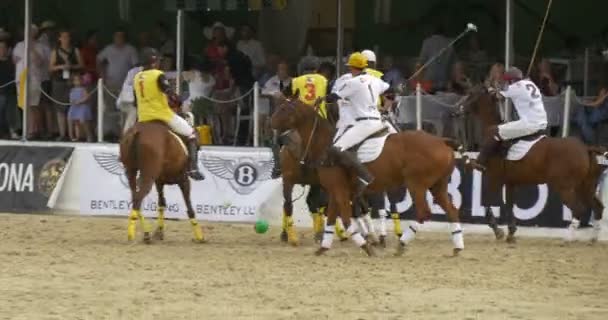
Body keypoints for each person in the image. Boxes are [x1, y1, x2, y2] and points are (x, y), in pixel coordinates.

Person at [133, 48, 204, 180]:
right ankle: (193, 168)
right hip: (162, 115)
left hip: (143, 118)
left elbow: (135, 102)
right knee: (192, 134)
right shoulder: (157, 74)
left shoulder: (136, 78)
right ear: (153, 62)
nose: (160, 63)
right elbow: (169, 92)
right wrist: (177, 98)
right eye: (159, 61)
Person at [325, 52, 390, 195]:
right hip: (379, 121)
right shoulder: (375, 79)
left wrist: (321, 99)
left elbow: (333, 97)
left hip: (364, 124)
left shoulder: (352, 82)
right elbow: (389, 89)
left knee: (337, 148)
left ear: (353, 68)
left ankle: (366, 177)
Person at [471, 67, 548, 171]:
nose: (507, 84)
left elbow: (496, 97)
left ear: (511, 80)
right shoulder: (531, 84)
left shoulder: (515, 87)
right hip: (542, 122)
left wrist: (489, 87)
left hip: (530, 124)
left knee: (494, 131)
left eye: (508, 81)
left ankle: (480, 163)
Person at [270, 56, 328, 178]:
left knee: (277, 137)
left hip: (301, 120)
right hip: (320, 119)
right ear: (316, 69)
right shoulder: (323, 79)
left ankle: (277, 166)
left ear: (301, 69)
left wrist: (278, 97)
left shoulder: (296, 81)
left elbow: (281, 96)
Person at [49, 29, 83, 141]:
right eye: (63, 37)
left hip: (72, 82)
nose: (65, 39)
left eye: (67, 37)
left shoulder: (75, 50)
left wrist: (71, 67)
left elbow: (81, 65)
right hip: (59, 81)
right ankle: (62, 134)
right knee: (60, 108)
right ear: (59, 39)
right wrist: (60, 67)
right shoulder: (55, 51)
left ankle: (73, 134)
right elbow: (50, 67)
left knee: (73, 107)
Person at [116, 64, 143, 134]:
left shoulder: (155, 72)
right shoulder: (134, 72)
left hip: (141, 101)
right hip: (127, 101)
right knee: (133, 111)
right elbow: (129, 88)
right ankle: (126, 134)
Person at [68, 74, 93, 141]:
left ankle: (89, 135)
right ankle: (78, 136)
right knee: (76, 123)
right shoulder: (72, 90)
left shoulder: (83, 89)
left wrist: (80, 101)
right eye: (75, 80)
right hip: (75, 108)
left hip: (82, 108)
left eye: (78, 80)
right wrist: (72, 101)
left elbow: (87, 97)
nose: (77, 82)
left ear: (82, 81)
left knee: (84, 122)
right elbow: (71, 98)